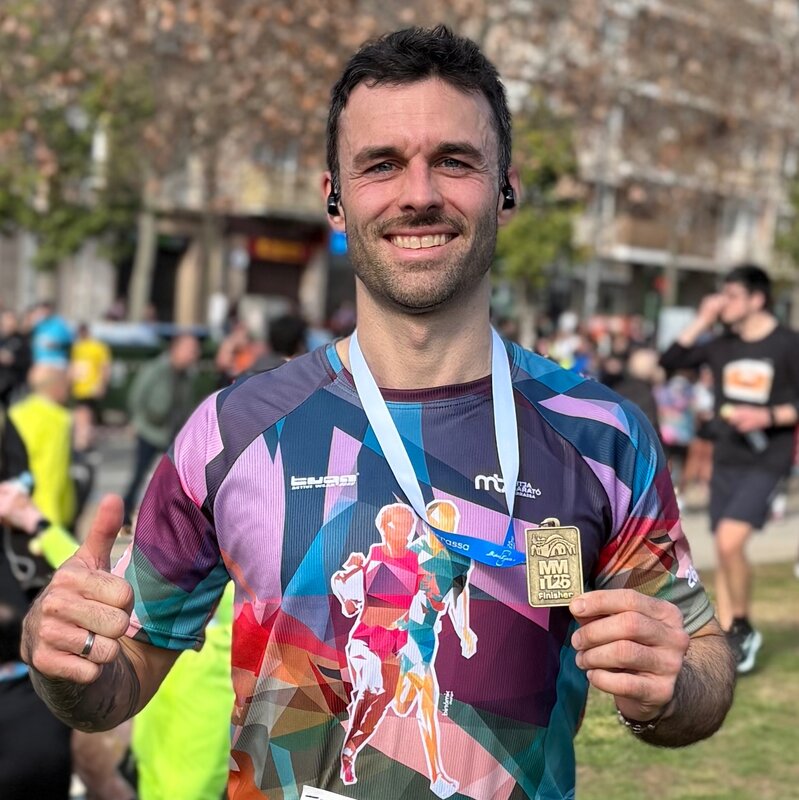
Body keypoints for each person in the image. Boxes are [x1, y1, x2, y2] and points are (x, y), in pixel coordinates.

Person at [22, 26, 734, 800]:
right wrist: (62, 657)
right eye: (381, 164)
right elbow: (116, 682)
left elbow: (702, 661)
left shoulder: (598, 436)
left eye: (454, 161)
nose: (418, 194)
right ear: (333, 196)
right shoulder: (233, 432)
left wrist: (671, 687)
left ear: (505, 189)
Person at [660, 263, 799, 674]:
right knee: (723, 547)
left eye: (732, 296)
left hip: (767, 458)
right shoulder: (722, 344)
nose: (724, 303)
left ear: (757, 299)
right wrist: (703, 319)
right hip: (727, 457)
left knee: (729, 540)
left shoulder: (788, 343)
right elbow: (671, 359)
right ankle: (731, 631)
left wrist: (768, 416)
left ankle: (742, 628)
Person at [121, 333, 200, 526]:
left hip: (171, 434)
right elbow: (136, 396)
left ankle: (162, 520)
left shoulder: (187, 376)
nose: (193, 355)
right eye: (190, 350)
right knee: (139, 475)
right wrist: (137, 422)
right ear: (176, 349)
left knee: (171, 479)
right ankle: (124, 517)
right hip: (149, 430)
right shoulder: (156, 368)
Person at [10, 364, 76, 529]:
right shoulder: (58, 419)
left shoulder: (16, 413)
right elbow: (53, 473)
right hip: (46, 512)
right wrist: (51, 520)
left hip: (16, 506)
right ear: (57, 387)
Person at [70, 323, 112, 453]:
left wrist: (102, 384)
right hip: (79, 388)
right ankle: (83, 440)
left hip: (91, 387)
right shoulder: (77, 347)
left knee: (87, 414)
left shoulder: (97, 347)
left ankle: (84, 441)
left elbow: (104, 366)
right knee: (82, 414)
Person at [0, 311, 31, 407]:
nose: (9, 324)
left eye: (11, 321)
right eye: (6, 321)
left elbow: (27, 361)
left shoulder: (23, 340)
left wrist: (12, 360)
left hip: (15, 384)